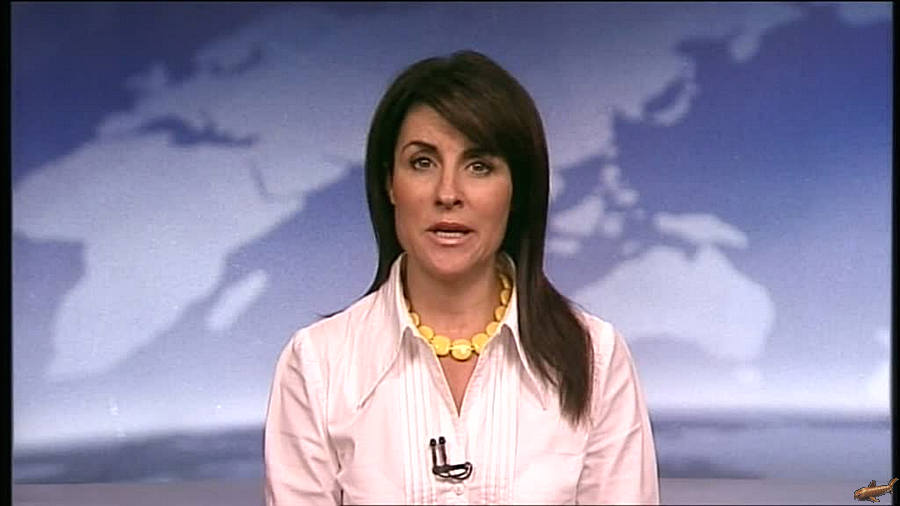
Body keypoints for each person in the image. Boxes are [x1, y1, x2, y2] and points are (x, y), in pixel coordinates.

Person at [264, 50, 659, 505]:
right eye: (423, 163)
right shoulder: (317, 365)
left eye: (479, 166)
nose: (448, 193)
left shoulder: (595, 359)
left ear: (517, 190)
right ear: (390, 183)